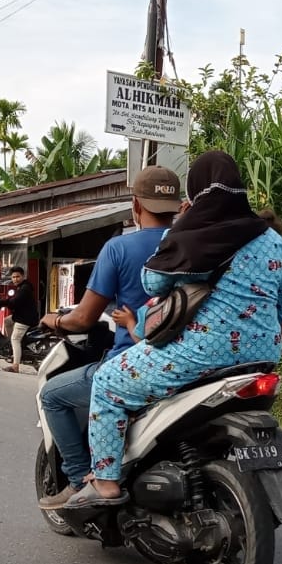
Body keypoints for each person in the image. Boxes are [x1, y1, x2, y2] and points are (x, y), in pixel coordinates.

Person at [68, 151, 282, 506]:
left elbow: (152, 282)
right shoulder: (271, 239)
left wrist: (180, 228)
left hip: (199, 354)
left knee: (107, 383)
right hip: (262, 357)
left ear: (196, 193)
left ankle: (105, 481)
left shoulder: (198, 234)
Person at [36, 167, 184, 506]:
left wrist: (56, 321)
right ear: (177, 206)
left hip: (133, 363)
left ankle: (78, 479)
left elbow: (85, 318)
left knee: (52, 395)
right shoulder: (194, 245)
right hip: (188, 359)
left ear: (136, 206)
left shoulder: (118, 248)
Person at [3, 266, 39, 373]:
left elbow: (15, 301)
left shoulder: (25, 288)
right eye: (13, 277)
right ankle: (13, 347)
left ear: (23, 276)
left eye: (18, 276)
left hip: (25, 318)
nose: (15, 279)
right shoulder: (22, 287)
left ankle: (15, 366)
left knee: (15, 339)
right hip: (21, 316)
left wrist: (2, 302)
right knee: (7, 321)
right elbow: (14, 300)